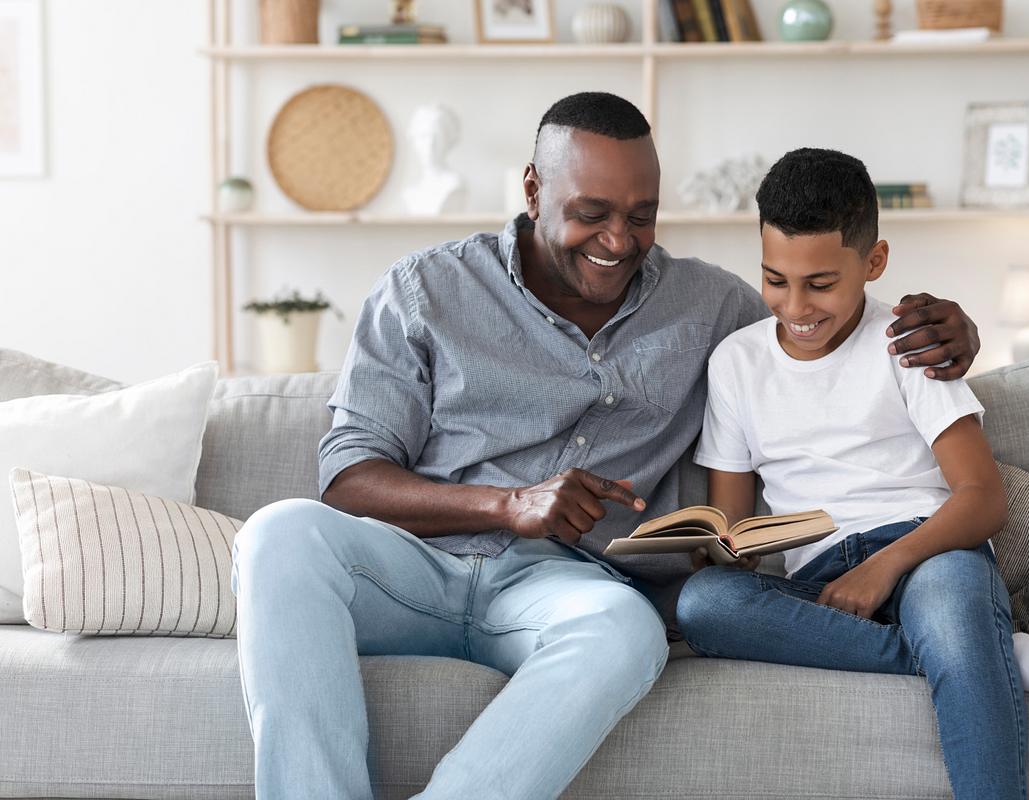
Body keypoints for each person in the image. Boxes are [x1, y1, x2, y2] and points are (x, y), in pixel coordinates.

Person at [230, 92, 983, 800]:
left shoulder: (711, 306)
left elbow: (818, 324)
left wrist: (949, 327)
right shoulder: (424, 290)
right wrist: (509, 503)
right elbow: (347, 479)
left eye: (641, 215)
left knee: (629, 632)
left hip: (562, 591)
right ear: (532, 188)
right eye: (590, 213)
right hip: (413, 573)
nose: (619, 241)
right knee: (279, 533)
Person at [674, 148, 1029, 800]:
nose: (795, 306)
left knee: (953, 620)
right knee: (703, 606)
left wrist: (884, 566)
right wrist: (713, 549)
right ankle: (994, 657)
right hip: (821, 577)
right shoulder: (736, 364)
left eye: (820, 284)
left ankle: (967, 649)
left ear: (873, 263)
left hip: (931, 549)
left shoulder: (908, 341)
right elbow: (734, 533)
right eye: (775, 279)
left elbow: (982, 501)